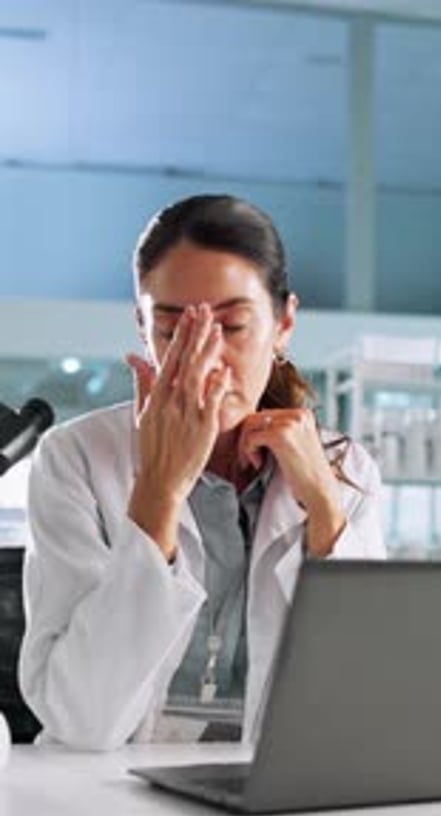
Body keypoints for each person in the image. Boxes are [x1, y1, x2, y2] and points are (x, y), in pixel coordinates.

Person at [19, 194, 386, 751]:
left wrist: (325, 507)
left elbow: (369, 697)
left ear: (284, 323)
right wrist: (159, 492)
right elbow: (81, 722)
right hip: (105, 800)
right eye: (173, 331)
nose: (205, 360)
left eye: (233, 326)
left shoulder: (345, 467)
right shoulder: (76, 458)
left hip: (270, 793)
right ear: (142, 328)